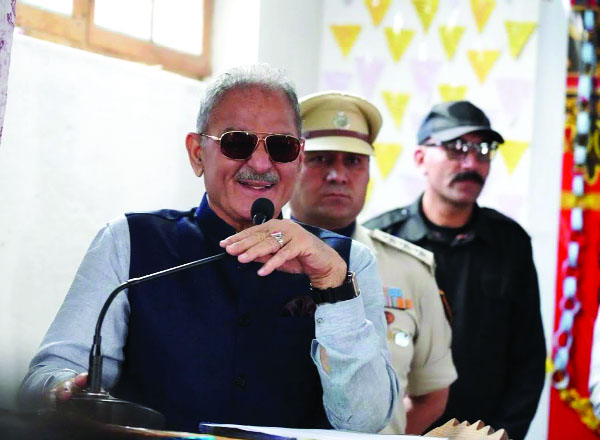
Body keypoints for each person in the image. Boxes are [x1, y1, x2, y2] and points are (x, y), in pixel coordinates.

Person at [18, 64, 399, 433]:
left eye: (280, 147)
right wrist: (61, 390)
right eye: (237, 142)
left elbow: (365, 421)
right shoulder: (130, 241)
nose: (261, 163)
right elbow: (49, 376)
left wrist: (332, 288)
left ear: (298, 159)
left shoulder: (346, 263)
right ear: (197, 153)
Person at [365, 100, 546, 439]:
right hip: (398, 431)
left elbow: (529, 356)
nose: (471, 163)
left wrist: (504, 434)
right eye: (456, 149)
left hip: (484, 432)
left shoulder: (510, 243)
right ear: (420, 158)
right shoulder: (380, 241)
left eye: (483, 150)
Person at [289, 91, 457, 435]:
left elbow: (431, 394)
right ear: (291, 165)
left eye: (353, 161)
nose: (338, 175)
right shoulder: (252, 258)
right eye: (321, 159)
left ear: (368, 171)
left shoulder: (410, 270)